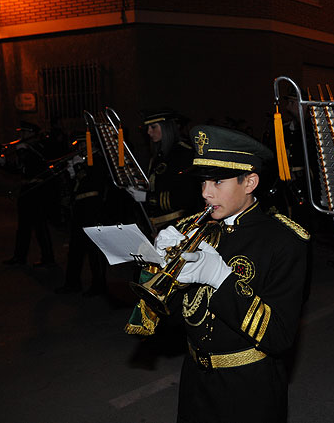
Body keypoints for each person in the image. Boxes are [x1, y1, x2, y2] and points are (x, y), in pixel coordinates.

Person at [125, 125, 309, 423]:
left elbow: (279, 336)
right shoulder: (193, 229)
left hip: (250, 387)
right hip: (195, 380)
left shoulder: (283, 241)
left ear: (249, 182)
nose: (205, 193)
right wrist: (153, 263)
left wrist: (222, 280)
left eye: (217, 182)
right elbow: (159, 318)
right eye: (202, 183)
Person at [126, 111, 201, 235]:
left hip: (178, 227)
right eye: (148, 128)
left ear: (166, 127)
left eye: (153, 127)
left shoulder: (184, 154)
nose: (149, 132)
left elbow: (185, 197)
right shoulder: (158, 156)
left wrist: (147, 197)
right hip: (158, 226)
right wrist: (143, 189)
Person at [2, 125, 58, 267]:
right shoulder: (25, 148)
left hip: (37, 191)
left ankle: (48, 257)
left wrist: (22, 151)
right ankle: (19, 257)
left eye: (24, 132)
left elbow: (37, 165)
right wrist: (4, 163)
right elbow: (20, 169)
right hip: (27, 190)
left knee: (40, 226)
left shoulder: (37, 147)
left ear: (31, 133)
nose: (21, 135)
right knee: (23, 227)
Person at [55, 153, 109, 296]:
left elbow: (95, 181)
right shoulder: (82, 161)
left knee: (94, 249)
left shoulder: (97, 159)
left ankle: (99, 284)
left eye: (83, 143)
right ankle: (72, 283)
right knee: (75, 248)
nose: (80, 148)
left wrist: (79, 167)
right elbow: (77, 185)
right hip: (79, 207)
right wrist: (70, 174)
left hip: (92, 207)